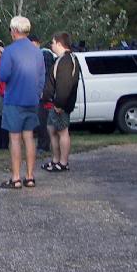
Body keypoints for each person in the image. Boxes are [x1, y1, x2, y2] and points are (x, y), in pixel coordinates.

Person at [0, 16, 46, 189]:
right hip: (32, 100)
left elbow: (3, 75)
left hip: (14, 100)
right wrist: (37, 93)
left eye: (11, 29)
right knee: (30, 138)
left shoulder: (10, 51)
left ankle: (16, 178)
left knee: (15, 139)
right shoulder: (37, 52)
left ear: (15, 31)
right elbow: (42, 77)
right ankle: (30, 177)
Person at [41, 32, 80, 172]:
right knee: (52, 130)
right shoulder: (62, 59)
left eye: (52, 42)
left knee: (63, 131)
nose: (51, 45)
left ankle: (63, 162)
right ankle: (55, 160)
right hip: (54, 104)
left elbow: (64, 85)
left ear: (59, 43)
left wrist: (59, 104)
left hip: (60, 105)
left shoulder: (66, 61)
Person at [30, 34, 54, 154]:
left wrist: (44, 91)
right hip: (37, 94)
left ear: (38, 43)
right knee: (39, 120)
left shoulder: (44, 54)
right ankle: (42, 144)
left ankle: (44, 145)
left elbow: (47, 74)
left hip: (45, 95)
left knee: (43, 119)